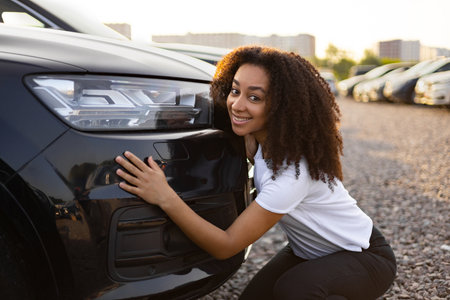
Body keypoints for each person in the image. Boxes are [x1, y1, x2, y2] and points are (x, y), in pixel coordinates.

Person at [115, 46, 396, 299]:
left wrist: (166, 197)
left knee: (295, 290)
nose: (237, 105)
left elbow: (226, 246)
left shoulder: (293, 175)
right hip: (308, 253)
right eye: (235, 91)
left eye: (255, 97)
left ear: (282, 107)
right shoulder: (260, 142)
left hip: (364, 257)